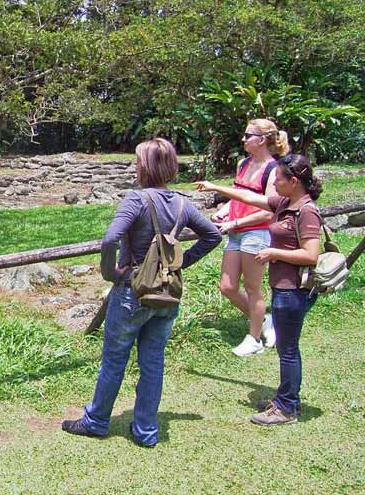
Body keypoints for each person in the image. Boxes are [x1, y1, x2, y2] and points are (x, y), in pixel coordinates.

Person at [62, 138, 221, 447]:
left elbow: (110, 239)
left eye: (137, 161)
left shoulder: (136, 200)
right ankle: (146, 430)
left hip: (132, 291)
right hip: (166, 292)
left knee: (114, 360)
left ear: (146, 167)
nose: (134, 166)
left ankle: (96, 421)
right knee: (153, 361)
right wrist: (180, 263)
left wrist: (111, 273)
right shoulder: (182, 203)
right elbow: (212, 235)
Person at [196, 153, 322, 425]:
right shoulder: (286, 203)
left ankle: (287, 408)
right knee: (286, 349)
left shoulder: (306, 211)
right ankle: (284, 399)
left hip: (293, 291)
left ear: (294, 181)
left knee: (288, 351)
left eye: (278, 178)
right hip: (282, 288)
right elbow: (249, 198)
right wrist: (216, 187)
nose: (274, 183)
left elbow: (312, 255)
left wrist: (272, 252)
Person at [212, 119, 290, 357]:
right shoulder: (243, 163)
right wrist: (224, 210)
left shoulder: (274, 169)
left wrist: (234, 222)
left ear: (262, 140)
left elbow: (269, 210)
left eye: (248, 135)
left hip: (257, 232)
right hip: (235, 232)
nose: (244, 139)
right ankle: (264, 320)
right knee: (227, 286)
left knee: (252, 287)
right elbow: (238, 195)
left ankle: (254, 338)